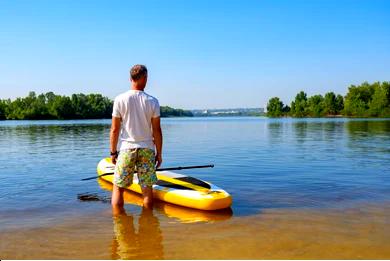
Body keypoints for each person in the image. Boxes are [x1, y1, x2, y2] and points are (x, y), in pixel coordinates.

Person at [110, 64, 163, 211]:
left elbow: (115, 129)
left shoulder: (120, 99)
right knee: (146, 189)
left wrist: (113, 152)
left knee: (119, 188)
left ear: (130, 78)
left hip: (127, 149)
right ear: (144, 78)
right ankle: (148, 223)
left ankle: (119, 225)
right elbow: (157, 131)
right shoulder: (153, 101)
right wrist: (159, 153)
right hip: (146, 149)